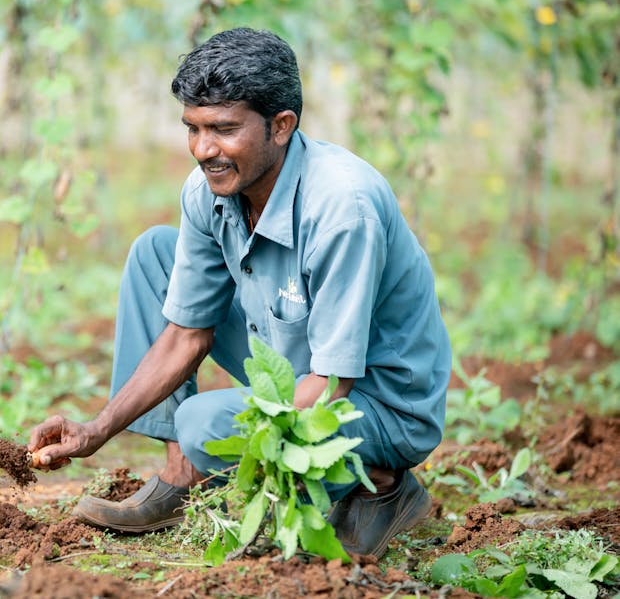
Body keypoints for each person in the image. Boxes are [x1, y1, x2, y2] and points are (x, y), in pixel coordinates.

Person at [27, 27, 451, 558]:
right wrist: (95, 430)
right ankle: (181, 479)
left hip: (374, 402)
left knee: (204, 423)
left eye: (224, 130)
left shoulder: (343, 207)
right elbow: (185, 333)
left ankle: (384, 486)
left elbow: (334, 382)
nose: (204, 150)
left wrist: (259, 473)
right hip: (293, 360)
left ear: (281, 126)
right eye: (193, 128)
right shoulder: (208, 190)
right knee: (154, 253)